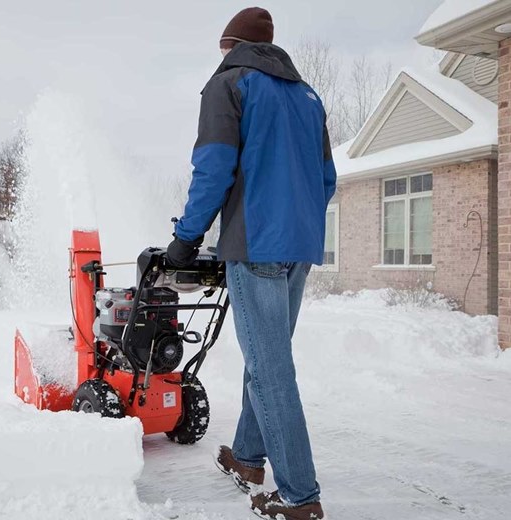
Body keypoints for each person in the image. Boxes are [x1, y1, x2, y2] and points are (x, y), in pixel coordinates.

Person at [166, 7, 336, 520]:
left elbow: (214, 167)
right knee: (268, 355)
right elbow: (327, 179)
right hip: (299, 246)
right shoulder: (308, 97)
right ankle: (246, 457)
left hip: (257, 242)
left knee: (269, 368)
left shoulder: (228, 83)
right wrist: (298, 221)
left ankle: (300, 496)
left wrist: (186, 238)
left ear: (232, 44)